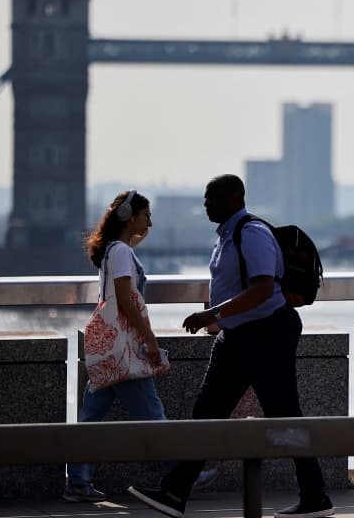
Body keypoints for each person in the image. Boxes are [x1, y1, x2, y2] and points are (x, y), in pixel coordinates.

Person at [128, 174, 333, 518]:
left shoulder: (250, 233)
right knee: (206, 414)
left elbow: (263, 288)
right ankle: (175, 493)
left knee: (285, 415)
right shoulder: (227, 236)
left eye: (211, 198)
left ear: (233, 199)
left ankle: (315, 496)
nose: (205, 204)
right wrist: (220, 322)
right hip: (237, 338)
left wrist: (213, 312)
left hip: (267, 334)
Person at [65, 190, 218, 503]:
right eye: (146, 215)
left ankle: (78, 482)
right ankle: (182, 477)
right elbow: (125, 299)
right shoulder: (120, 252)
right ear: (129, 217)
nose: (151, 221)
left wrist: (135, 233)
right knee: (151, 412)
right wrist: (148, 337)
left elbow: (119, 279)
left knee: (91, 418)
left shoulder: (113, 250)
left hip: (110, 349)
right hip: (126, 347)